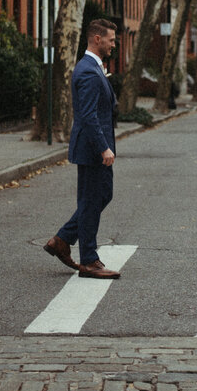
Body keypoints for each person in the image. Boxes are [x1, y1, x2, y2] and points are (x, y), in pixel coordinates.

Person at [44, 19, 121, 280]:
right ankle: (88, 260)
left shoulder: (94, 67)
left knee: (101, 196)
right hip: (92, 149)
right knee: (91, 200)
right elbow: (87, 116)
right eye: (111, 39)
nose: (114, 43)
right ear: (97, 39)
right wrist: (103, 148)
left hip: (95, 148)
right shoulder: (88, 70)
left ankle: (63, 239)